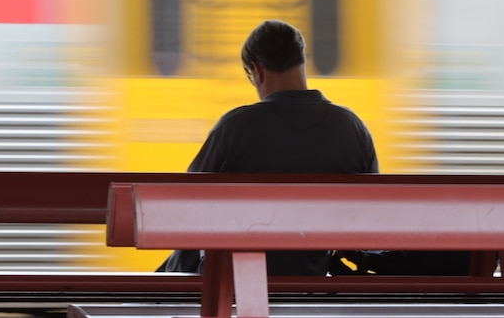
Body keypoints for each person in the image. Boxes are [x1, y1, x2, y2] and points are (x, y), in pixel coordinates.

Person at [157, 19, 378, 275]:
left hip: (237, 287)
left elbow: (187, 206)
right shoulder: (351, 128)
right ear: (301, 63)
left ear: (257, 70)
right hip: (311, 283)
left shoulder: (234, 127)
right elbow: (371, 214)